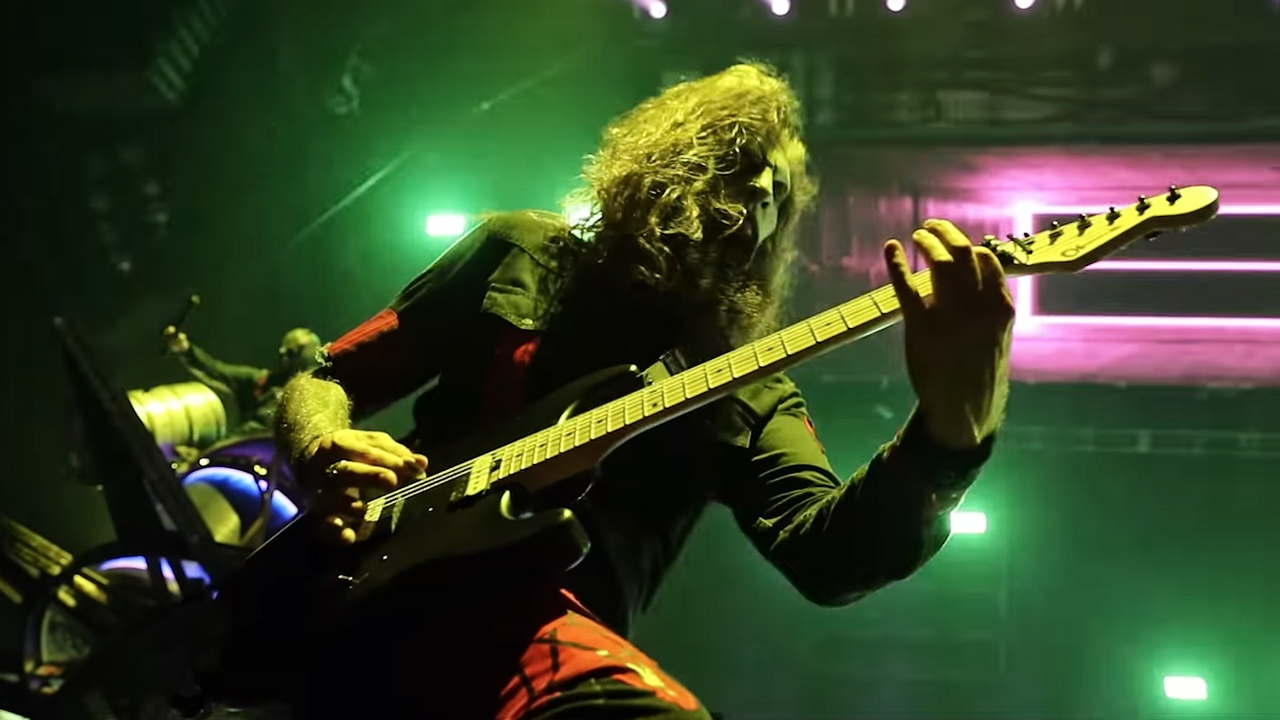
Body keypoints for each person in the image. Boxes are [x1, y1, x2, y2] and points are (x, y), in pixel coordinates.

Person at [274, 63, 1013, 720]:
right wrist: (322, 447)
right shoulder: (519, 251)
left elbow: (831, 559)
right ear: (672, 155)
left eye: (779, 194)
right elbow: (326, 377)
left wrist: (952, 431)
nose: (762, 191)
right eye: (743, 161)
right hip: (359, 592)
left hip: (537, 651)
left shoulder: (752, 389)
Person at [164, 326, 324, 436]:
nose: (283, 356)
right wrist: (186, 349)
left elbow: (255, 430)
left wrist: (214, 451)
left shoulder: (317, 400)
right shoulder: (263, 381)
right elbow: (216, 370)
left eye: (292, 353)